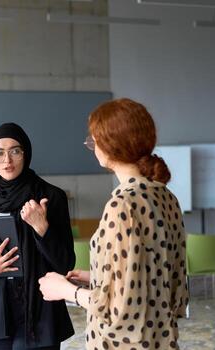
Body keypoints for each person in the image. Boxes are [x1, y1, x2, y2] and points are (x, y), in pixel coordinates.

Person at [39, 98, 189, 350]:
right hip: (161, 338)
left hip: (122, 343)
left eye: (95, 138)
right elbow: (166, 282)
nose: (92, 144)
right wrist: (97, 276)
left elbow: (117, 306)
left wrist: (65, 291)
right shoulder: (165, 196)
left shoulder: (123, 204)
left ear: (110, 144)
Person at [0, 122, 75, 349]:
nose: (7, 160)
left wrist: (42, 229)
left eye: (15, 151)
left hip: (40, 308)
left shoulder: (50, 197)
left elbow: (65, 264)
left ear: (26, 153)